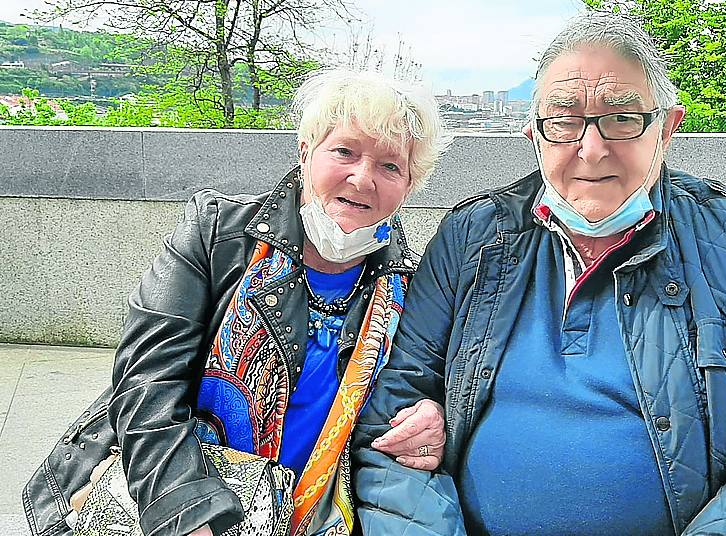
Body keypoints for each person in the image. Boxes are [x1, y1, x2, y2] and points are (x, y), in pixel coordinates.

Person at [352, 11, 726, 536]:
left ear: (667, 128)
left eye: (622, 117)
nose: (591, 149)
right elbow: (389, 435)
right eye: (564, 120)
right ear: (534, 135)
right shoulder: (472, 239)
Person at [68, 69, 447, 536]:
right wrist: (184, 511)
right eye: (344, 151)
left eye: (391, 166)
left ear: (409, 185)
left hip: (321, 513)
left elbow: (425, 386)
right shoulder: (216, 233)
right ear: (306, 151)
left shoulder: (415, 282)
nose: (363, 178)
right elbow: (148, 378)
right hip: (192, 497)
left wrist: (432, 417)